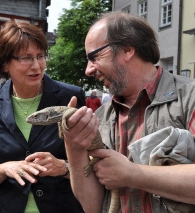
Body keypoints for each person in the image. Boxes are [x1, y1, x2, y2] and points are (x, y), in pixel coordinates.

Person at [63, 11, 195, 213]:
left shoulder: (189, 97)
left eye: (94, 56)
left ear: (126, 50)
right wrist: (74, 148)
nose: (88, 70)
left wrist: (132, 174)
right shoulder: (99, 118)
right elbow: (92, 206)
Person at [0, 20, 86, 212]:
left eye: (40, 56)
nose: (36, 65)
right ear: (5, 63)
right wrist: (4, 168)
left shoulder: (70, 97)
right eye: (26, 58)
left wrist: (64, 167)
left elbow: (94, 157)